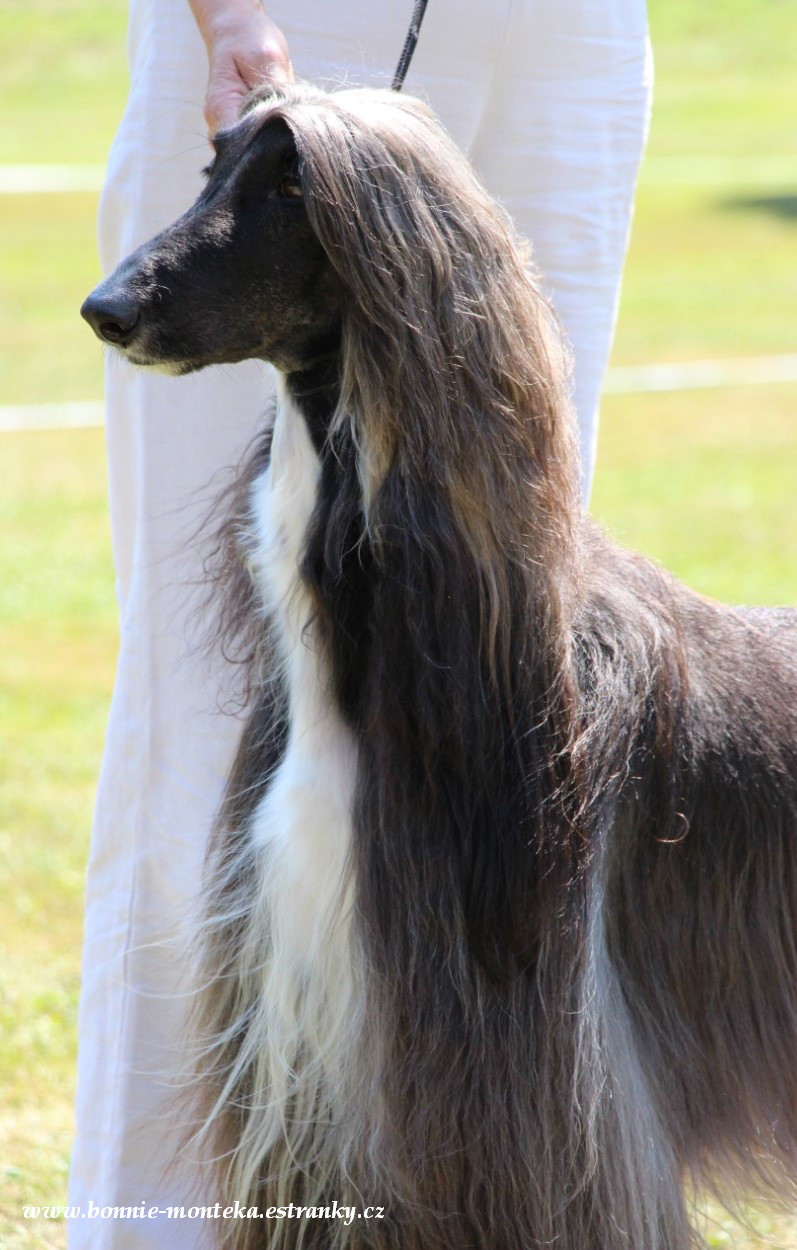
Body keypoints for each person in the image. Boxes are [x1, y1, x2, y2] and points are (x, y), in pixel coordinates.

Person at [67, 2, 652, 1246]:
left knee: (499, 711)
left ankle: (474, 1205)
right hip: (293, 25)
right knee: (219, 715)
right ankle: (161, 1225)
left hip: (570, 40)